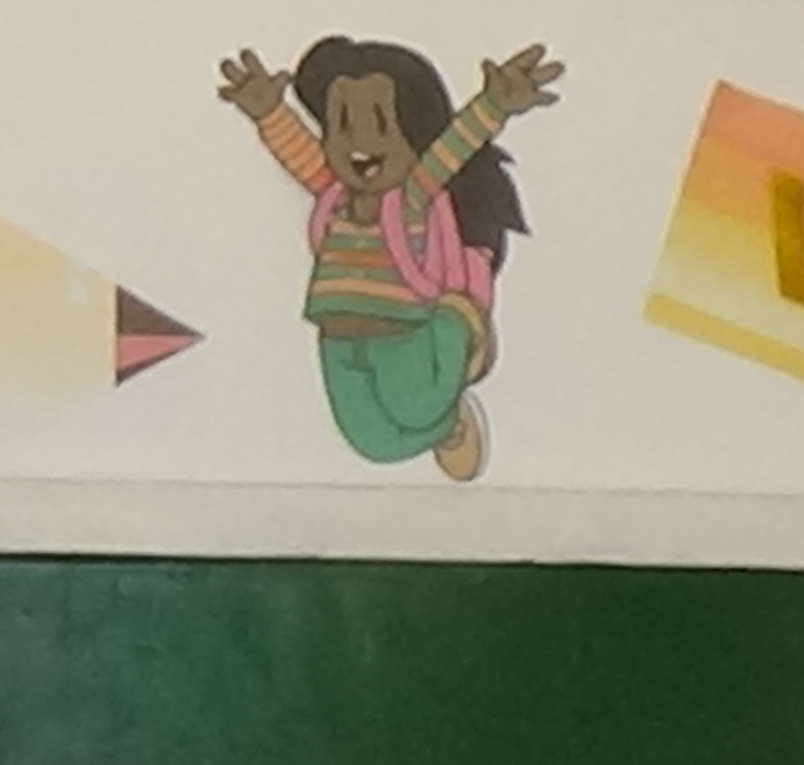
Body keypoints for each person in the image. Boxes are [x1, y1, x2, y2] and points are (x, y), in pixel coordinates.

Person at [218, 35, 562, 479]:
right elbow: (299, 151)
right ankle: (449, 427)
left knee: (418, 406)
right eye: (342, 124)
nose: (359, 142)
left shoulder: (410, 201)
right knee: (372, 443)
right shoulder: (334, 197)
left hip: (406, 331)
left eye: (380, 123)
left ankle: (459, 331)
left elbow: (449, 151)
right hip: (338, 339)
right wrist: (268, 112)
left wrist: (493, 105)